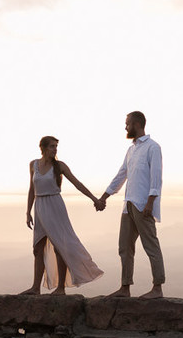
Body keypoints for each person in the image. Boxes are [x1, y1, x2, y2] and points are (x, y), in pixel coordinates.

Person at [22, 136, 104, 295]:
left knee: (60, 245)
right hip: (39, 207)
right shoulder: (33, 165)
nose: (55, 149)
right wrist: (28, 212)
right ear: (43, 148)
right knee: (38, 248)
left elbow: (77, 183)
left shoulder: (59, 166)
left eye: (56, 146)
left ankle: (61, 288)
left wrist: (95, 199)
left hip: (55, 206)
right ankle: (35, 288)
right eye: (52, 146)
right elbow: (32, 189)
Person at [98, 111, 165, 299]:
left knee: (151, 245)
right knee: (125, 247)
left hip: (143, 205)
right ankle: (125, 287)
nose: (125, 127)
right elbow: (121, 175)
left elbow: (156, 177)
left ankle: (157, 288)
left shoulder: (153, 147)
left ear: (136, 124)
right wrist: (104, 196)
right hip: (128, 205)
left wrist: (151, 202)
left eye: (127, 123)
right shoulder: (131, 149)